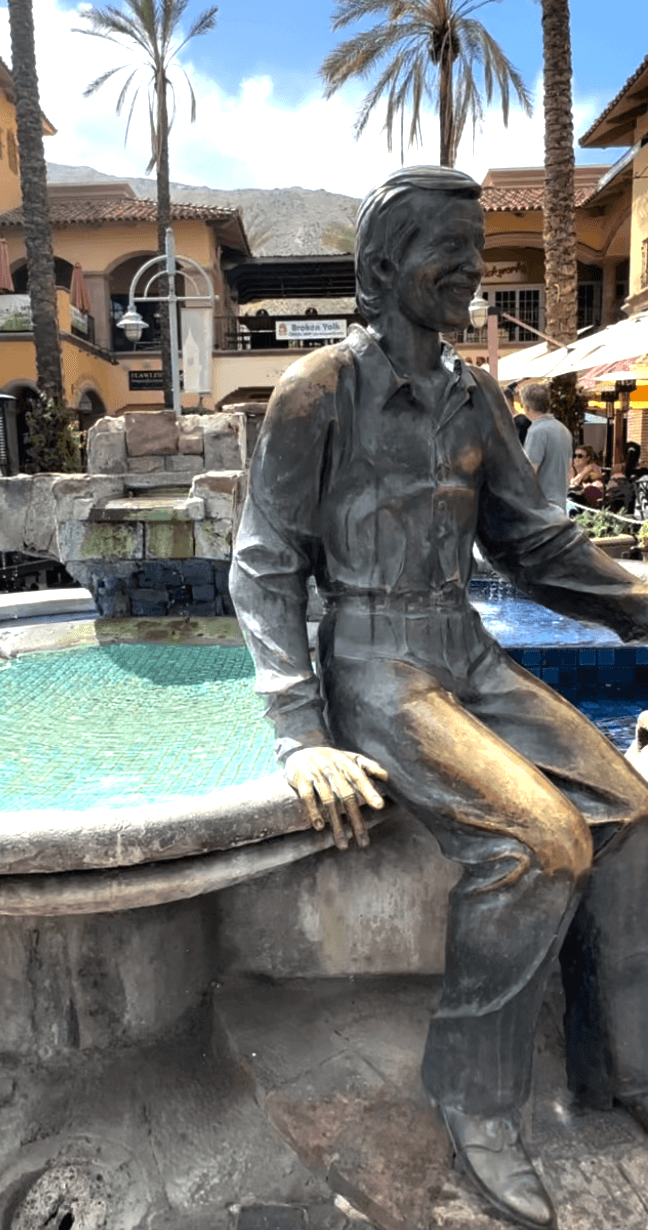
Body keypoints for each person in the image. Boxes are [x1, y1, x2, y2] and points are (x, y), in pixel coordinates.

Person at [230, 164, 648, 1230]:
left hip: (460, 645)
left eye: (474, 250)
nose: (470, 270)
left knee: (632, 809)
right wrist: (297, 734)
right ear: (380, 270)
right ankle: (474, 1096)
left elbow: (534, 542)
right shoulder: (316, 390)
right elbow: (264, 564)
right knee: (540, 839)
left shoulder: (475, 396)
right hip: (371, 657)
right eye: (447, 252)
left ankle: (619, 1064)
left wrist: (641, 602)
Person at [520, 382, 573, 512]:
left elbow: (530, 472)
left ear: (526, 407)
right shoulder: (563, 429)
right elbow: (569, 471)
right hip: (560, 505)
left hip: (541, 507)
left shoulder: (536, 431)